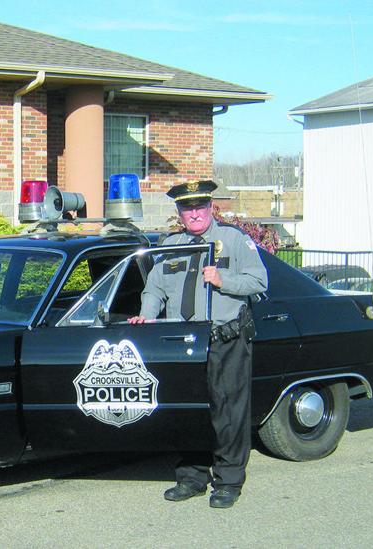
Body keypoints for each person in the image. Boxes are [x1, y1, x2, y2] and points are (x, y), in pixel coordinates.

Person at [128, 180, 268, 509]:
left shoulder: (233, 240)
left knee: (228, 412)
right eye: (187, 208)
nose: (194, 214)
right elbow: (155, 288)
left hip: (224, 339)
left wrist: (224, 280)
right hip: (185, 343)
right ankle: (191, 476)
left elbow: (259, 281)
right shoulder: (173, 244)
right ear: (179, 212)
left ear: (210, 208)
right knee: (190, 412)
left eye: (199, 207)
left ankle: (229, 481)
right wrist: (147, 316)